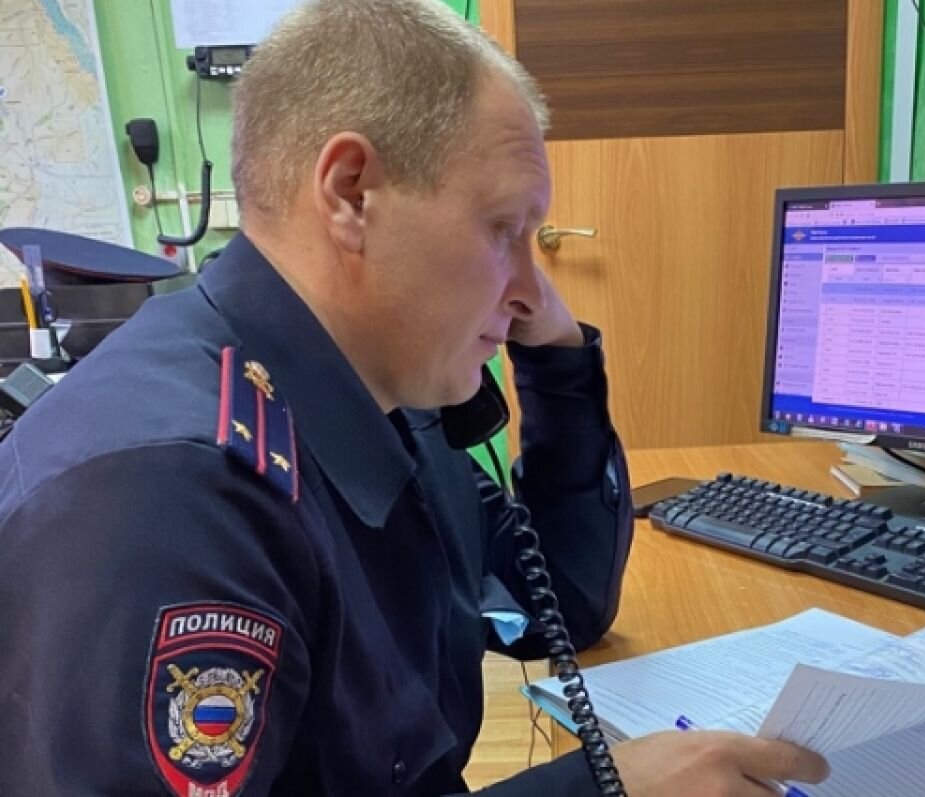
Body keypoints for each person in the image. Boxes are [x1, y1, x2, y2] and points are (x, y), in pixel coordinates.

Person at [0, 1, 830, 794]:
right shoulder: (169, 500)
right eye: (503, 228)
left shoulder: (385, 399)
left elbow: (562, 603)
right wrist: (601, 787)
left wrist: (558, 360)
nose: (528, 288)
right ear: (351, 193)